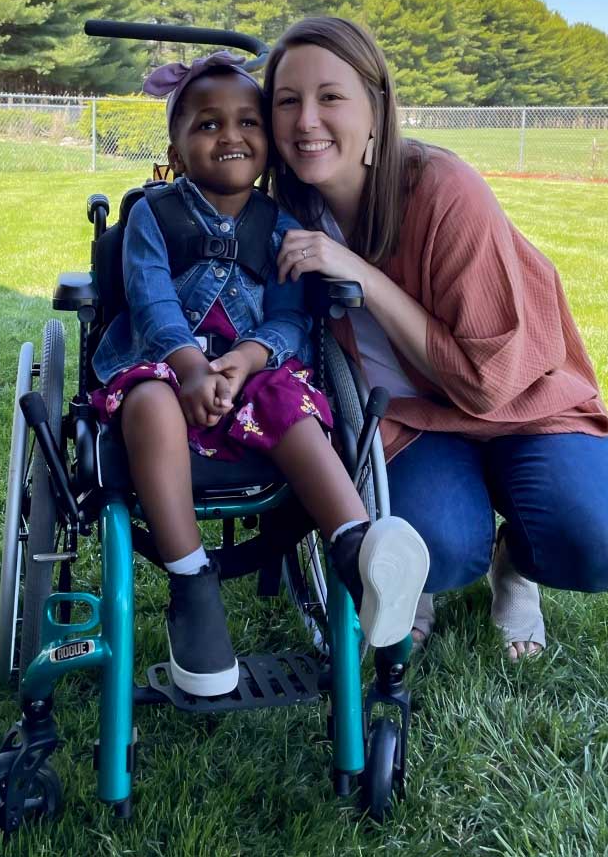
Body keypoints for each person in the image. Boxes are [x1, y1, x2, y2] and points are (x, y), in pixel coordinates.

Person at [264, 17, 608, 660]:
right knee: (438, 548)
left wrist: (361, 275)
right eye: (286, 100)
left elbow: (486, 381)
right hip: (414, 420)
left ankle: (516, 565)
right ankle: (435, 570)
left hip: (520, 403)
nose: (306, 120)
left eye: (331, 97)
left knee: (601, 546)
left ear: (378, 108)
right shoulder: (287, 210)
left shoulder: (442, 190)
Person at [90, 51, 429, 697]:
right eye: (208, 124)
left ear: (269, 145)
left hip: (250, 376)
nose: (232, 135)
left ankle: (359, 553)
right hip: (162, 369)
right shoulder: (152, 216)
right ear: (176, 144)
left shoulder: (280, 226)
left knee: (293, 405)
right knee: (151, 400)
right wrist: (190, 365)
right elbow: (153, 300)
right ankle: (192, 584)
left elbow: (289, 316)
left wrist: (247, 358)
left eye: (248, 122)